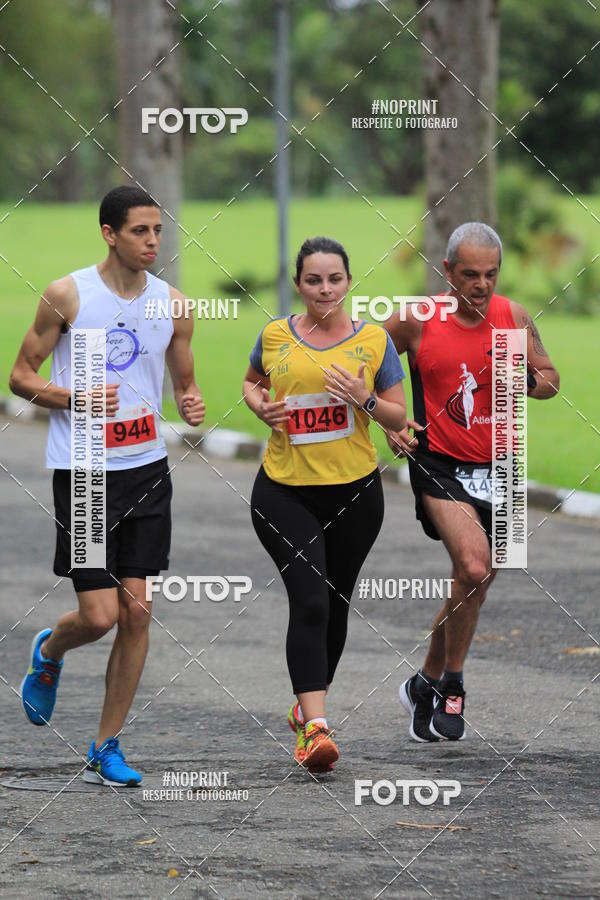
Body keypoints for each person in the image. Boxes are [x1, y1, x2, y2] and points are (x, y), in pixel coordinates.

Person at [10, 186, 205, 785]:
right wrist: (76, 398)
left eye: (157, 231)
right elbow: (20, 377)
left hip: (146, 468)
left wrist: (190, 401)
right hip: (87, 470)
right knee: (99, 617)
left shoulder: (173, 305)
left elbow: (184, 380)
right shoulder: (68, 294)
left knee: (137, 611)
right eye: (140, 231)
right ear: (109, 233)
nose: (152, 241)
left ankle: (106, 746)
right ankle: (50, 650)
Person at [385, 222, 560, 742]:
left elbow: (551, 379)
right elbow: (364, 357)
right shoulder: (418, 319)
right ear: (448, 271)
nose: (481, 285)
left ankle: (423, 683)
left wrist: (525, 380)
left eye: (490, 274)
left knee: (474, 587)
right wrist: (389, 420)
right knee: (473, 565)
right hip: (440, 463)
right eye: (469, 275)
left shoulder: (514, 317)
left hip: (504, 465)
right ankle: (453, 685)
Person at [243, 236, 406, 772]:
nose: (325, 289)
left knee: (335, 604)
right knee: (310, 601)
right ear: (298, 285)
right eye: (313, 280)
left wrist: (363, 399)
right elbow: (251, 382)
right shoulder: (275, 335)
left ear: (349, 282)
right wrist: (260, 406)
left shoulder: (375, 340)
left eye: (334, 279)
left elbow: (397, 415)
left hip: (356, 492)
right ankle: (315, 729)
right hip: (284, 490)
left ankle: (306, 707)